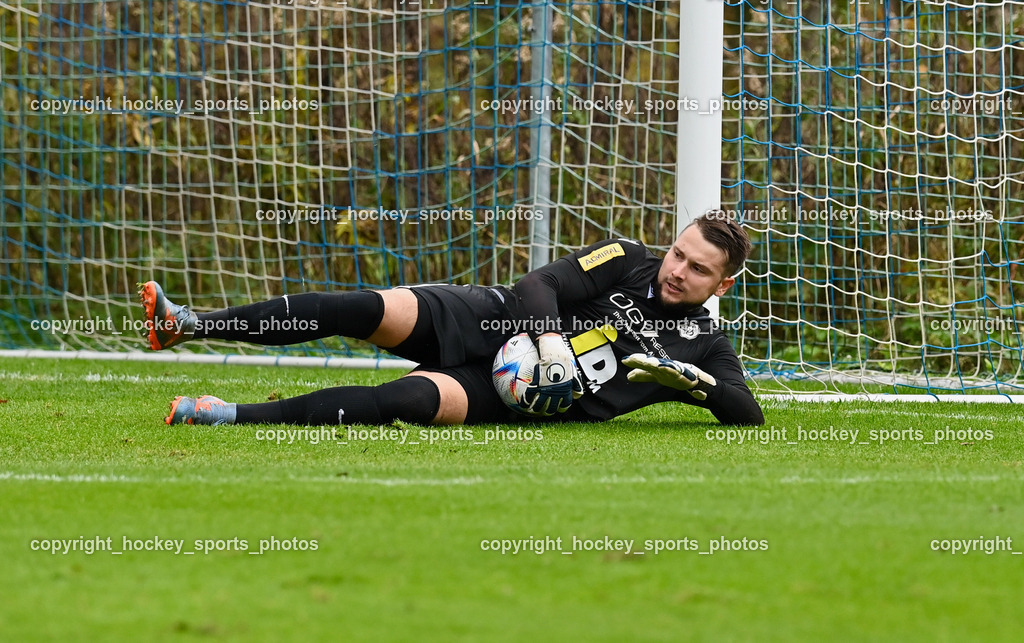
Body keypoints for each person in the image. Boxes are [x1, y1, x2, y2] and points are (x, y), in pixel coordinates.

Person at [140, 210, 764, 428]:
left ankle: (223, 412)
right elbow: (540, 282)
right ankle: (189, 324)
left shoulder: (704, 344)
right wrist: (546, 340)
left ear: (722, 284)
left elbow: (747, 411)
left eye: (698, 269)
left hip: (515, 398)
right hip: (493, 321)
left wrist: (698, 386)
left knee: (407, 401)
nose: (677, 269)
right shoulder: (628, 259)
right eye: (679, 252)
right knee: (365, 308)